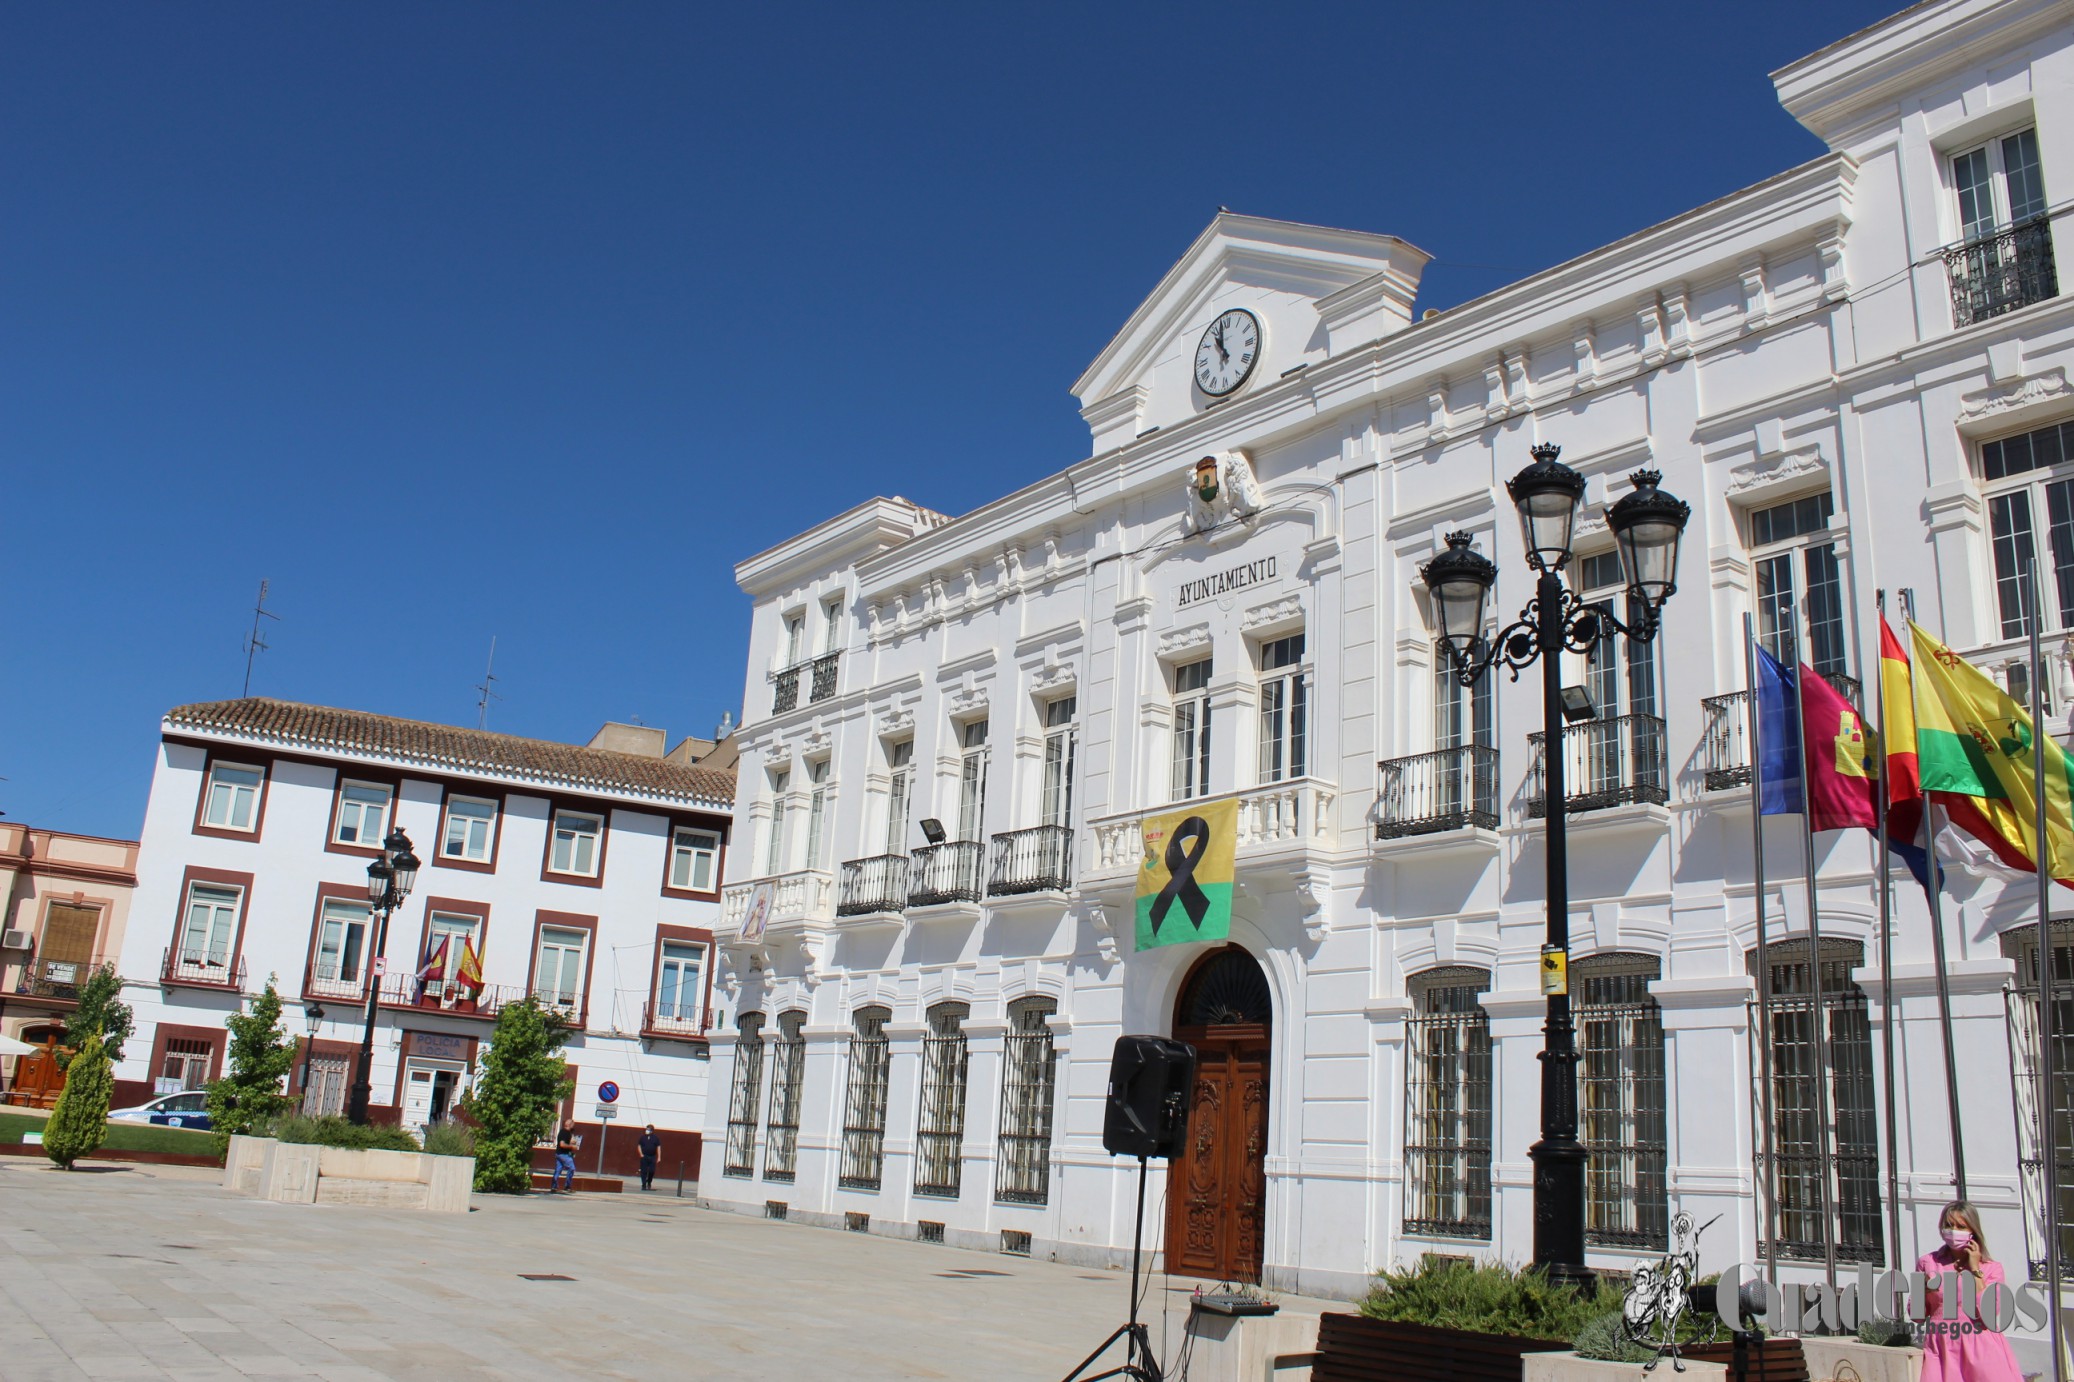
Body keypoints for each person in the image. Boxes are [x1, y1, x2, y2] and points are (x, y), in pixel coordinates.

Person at [1916, 1200, 2023, 1382]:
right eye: (1948, 1225)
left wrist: (1975, 1269)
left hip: (1980, 1346)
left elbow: (1990, 1313)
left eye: (1960, 1226)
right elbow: (1916, 1315)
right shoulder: (1928, 1262)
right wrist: (1923, 1292)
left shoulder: (1991, 1268)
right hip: (1940, 1347)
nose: (1953, 1230)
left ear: (1972, 1231)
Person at [551, 1119, 579, 1193]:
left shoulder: (567, 1133)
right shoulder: (564, 1133)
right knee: (572, 1168)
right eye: (573, 1124)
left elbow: (566, 1141)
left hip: (559, 1153)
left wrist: (572, 1141)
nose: (574, 1126)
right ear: (569, 1124)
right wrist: (572, 1147)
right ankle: (567, 1186)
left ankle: (554, 1187)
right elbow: (562, 1144)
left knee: (558, 1170)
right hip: (563, 1154)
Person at [637, 1124, 662, 1191]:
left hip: (652, 1156)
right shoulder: (642, 1137)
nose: (646, 1131)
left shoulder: (655, 1138)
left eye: (648, 1129)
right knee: (644, 1171)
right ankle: (644, 1184)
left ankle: (649, 1182)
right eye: (646, 1129)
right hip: (644, 1156)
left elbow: (658, 1147)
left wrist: (659, 1157)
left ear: (652, 1131)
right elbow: (639, 1146)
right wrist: (641, 1154)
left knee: (652, 1171)